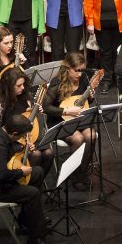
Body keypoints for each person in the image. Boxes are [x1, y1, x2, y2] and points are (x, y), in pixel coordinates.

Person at [0, 113, 58, 244]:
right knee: (32, 193)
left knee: (37, 171)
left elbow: (10, 147)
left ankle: (26, 219)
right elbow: (1, 175)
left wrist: (21, 148)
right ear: (14, 133)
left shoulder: (1, 133)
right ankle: (35, 239)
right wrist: (21, 172)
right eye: (21, 136)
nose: (22, 138)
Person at [42, 53, 96, 189]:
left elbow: (84, 102)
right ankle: (75, 176)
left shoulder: (84, 79)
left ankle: (81, 171)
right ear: (68, 68)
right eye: (76, 70)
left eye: (82, 70)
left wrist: (90, 97)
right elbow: (45, 106)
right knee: (77, 138)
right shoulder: (57, 82)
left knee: (91, 135)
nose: (79, 74)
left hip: (79, 119)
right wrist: (66, 111)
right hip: (60, 120)